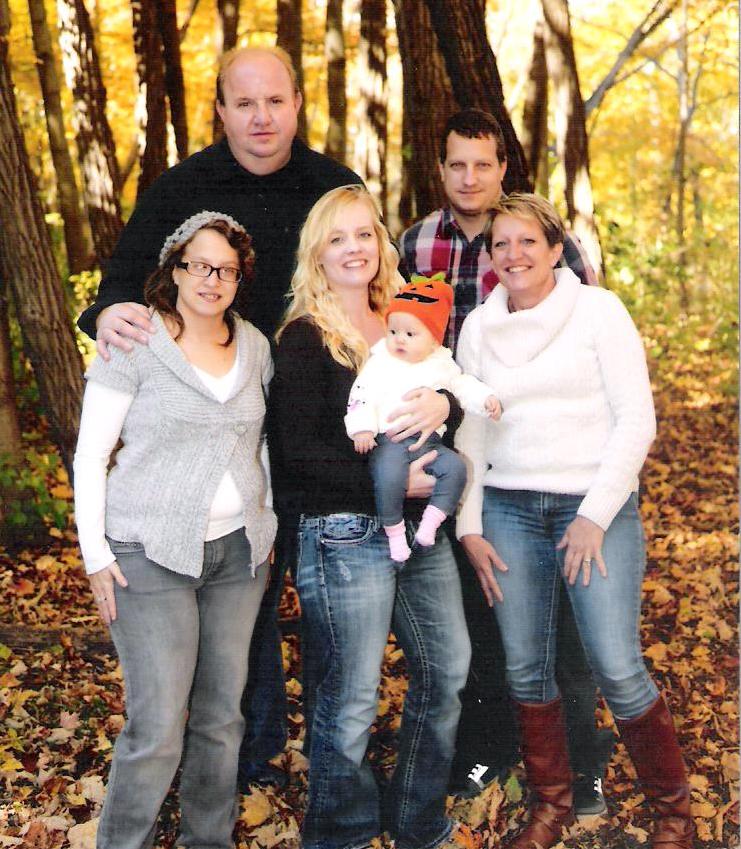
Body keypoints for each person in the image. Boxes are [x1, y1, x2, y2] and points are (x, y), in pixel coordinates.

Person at [77, 44, 362, 790]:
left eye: (275, 101)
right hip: (216, 436)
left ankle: (334, 756)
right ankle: (248, 756)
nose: (261, 117)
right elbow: (119, 286)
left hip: (324, 429)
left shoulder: (334, 187)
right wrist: (109, 314)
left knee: (328, 594)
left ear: (296, 104)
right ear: (222, 111)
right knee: (244, 601)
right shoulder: (182, 188)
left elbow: (374, 283)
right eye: (244, 103)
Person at [455, 193, 694, 849]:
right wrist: (468, 525)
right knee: (525, 667)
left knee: (615, 664)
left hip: (593, 507)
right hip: (507, 509)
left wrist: (593, 516)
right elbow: (471, 432)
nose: (514, 255)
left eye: (527, 241)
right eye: (501, 244)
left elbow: (636, 420)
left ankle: (673, 815)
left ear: (556, 249)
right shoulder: (477, 327)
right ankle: (551, 806)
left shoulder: (598, 310)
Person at [399, 107, 613, 814]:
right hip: (454, 455)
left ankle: (581, 760)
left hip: (541, 453)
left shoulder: (543, 244)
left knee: (566, 622)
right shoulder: (415, 244)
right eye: (456, 164)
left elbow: (589, 340)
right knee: (480, 611)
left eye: (483, 164)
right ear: (440, 169)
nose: (469, 178)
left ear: (501, 169)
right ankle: (488, 747)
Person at [271, 184, 471, 849]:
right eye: (337, 238)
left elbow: (449, 396)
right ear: (317, 255)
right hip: (344, 533)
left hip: (419, 530)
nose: (353, 248)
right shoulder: (305, 338)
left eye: (363, 234)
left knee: (446, 670)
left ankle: (417, 820)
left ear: (381, 243)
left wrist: (446, 404)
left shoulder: (405, 320)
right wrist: (383, 481)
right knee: (351, 697)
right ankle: (343, 833)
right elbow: (296, 456)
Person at [73, 212, 277, 849]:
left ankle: (207, 840)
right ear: (175, 269)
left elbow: (259, 444)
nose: (212, 280)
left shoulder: (255, 346)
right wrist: (95, 555)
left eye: (226, 270)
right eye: (199, 265)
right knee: (159, 726)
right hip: (147, 555)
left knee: (221, 719)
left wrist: (264, 522)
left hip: (239, 558)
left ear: (239, 279)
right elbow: (91, 454)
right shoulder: (136, 339)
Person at [346, 273, 501, 561]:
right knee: (388, 475)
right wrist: (362, 428)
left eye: (410, 334)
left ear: (433, 340)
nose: (399, 340)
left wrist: (485, 399)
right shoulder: (380, 362)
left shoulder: (442, 364)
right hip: (391, 440)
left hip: (431, 444)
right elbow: (360, 394)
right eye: (393, 331)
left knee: (456, 468)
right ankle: (394, 532)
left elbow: (462, 386)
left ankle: (431, 521)